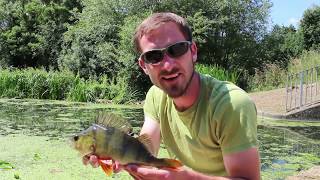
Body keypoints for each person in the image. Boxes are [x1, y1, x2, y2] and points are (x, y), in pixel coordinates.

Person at [84, 12, 261, 180]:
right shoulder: (156, 95)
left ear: (193, 51)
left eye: (177, 49)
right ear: (144, 65)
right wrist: (117, 153)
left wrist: (188, 178)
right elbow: (146, 148)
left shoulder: (232, 105)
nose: (168, 65)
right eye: (153, 56)